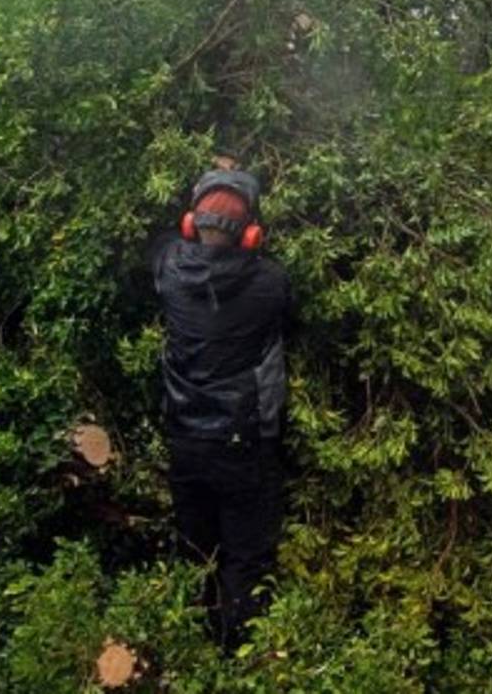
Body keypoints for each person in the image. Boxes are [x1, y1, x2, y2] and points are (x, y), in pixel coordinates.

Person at [152, 165, 292, 649]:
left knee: (195, 551)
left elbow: (163, 244)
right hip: (244, 443)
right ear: (253, 234)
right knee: (246, 559)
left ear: (190, 224)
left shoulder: (170, 269)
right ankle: (237, 654)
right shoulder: (270, 283)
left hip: (185, 439)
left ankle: (192, 650)